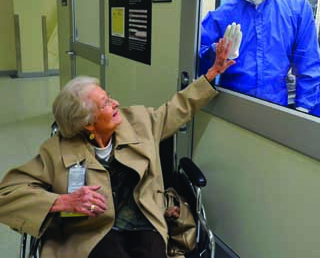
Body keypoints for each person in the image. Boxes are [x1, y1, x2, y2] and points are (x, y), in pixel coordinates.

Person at [0, 38, 234, 258]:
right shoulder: (56, 150)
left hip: (145, 219)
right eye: (105, 104)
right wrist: (62, 202)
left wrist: (212, 73)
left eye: (109, 97)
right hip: (93, 230)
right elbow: (7, 195)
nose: (116, 104)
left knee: (153, 251)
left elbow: (178, 108)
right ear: (87, 123)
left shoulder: (139, 122)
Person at [199, 0, 320, 113]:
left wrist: (304, 109)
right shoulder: (223, 14)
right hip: (231, 106)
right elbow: (196, 57)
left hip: (275, 108)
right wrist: (217, 51)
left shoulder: (296, 8)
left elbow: (308, 63)